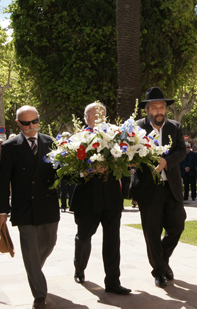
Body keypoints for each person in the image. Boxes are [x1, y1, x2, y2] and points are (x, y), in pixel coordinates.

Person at [0, 105, 59, 309]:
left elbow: (60, 171)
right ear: (18, 124)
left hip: (48, 204)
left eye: (35, 121)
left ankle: (33, 270)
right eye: (26, 123)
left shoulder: (50, 142)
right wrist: (2, 211)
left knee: (49, 244)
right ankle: (39, 294)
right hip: (24, 207)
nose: (31, 126)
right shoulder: (9, 146)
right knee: (30, 251)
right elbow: (3, 181)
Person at [69, 102, 130, 295]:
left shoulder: (115, 137)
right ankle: (79, 268)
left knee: (113, 241)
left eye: (101, 114)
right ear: (85, 117)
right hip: (87, 199)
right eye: (94, 115)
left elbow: (126, 160)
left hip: (111, 197)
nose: (98, 118)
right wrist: (90, 168)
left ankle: (113, 282)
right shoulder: (77, 138)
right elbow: (71, 168)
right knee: (84, 236)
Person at [130, 87, 186, 288]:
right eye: (154, 107)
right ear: (147, 110)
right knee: (152, 232)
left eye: (162, 107)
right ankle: (159, 271)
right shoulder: (136, 128)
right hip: (147, 189)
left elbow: (181, 151)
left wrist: (166, 162)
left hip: (171, 187)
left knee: (177, 225)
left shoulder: (175, 127)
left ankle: (161, 260)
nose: (159, 111)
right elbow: (127, 153)